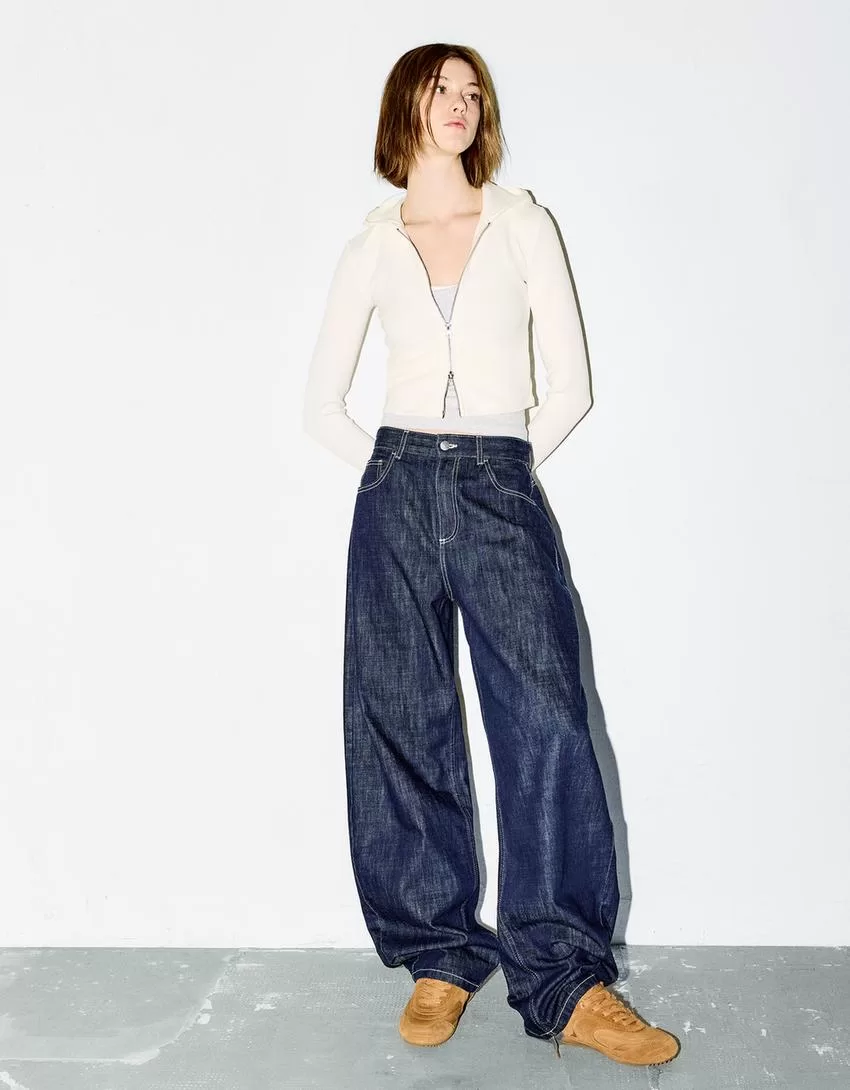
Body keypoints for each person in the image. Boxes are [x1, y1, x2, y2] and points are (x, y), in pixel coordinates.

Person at [302, 43, 680, 1068]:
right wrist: (396, 473)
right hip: (394, 487)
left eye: (473, 92)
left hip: (498, 481)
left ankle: (567, 978)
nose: (460, 104)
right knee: (400, 719)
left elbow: (572, 385)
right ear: (407, 107)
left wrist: (496, 468)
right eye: (441, 90)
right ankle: (439, 954)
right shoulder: (371, 245)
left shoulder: (522, 225)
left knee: (545, 715)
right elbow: (319, 404)